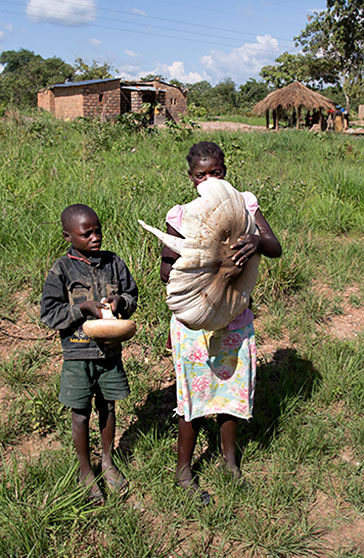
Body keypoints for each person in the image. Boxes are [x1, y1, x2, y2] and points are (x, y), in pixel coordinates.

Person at [160, 142, 282, 504]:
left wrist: (256, 242)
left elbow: (275, 247)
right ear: (190, 177)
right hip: (195, 321)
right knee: (193, 398)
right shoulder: (182, 215)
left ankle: (230, 463)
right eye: (201, 175)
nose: (208, 180)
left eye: (215, 172)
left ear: (224, 172)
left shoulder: (244, 205)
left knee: (231, 394)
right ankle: (184, 470)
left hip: (235, 316)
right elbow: (166, 269)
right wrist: (198, 261)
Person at [40, 204, 138, 505]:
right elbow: (49, 313)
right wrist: (82, 308)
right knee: (80, 412)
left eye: (98, 230)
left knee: (107, 406)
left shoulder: (114, 263)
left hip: (109, 353)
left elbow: (132, 296)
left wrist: (119, 301)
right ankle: (85, 470)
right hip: (77, 355)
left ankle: (108, 462)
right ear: (68, 236)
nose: (95, 237)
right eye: (87, 233)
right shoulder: (62, 269)